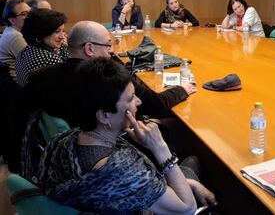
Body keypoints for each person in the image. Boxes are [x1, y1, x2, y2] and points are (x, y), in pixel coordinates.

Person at [37, 57, 215, 213]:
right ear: (104, 116)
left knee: (190, 169)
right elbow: (186, 208)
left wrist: (189, 183)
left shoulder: (63, 141)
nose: (138, 102)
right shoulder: (118, 170)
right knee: (195, 162)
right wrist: (160, 148)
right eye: (130, 99)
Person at [24, 21, 196, 127]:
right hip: (111, 149)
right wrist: (182, 89)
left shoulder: (40, 76)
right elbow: (155, 105)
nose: (111, 51)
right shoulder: (108, 77)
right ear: (89, 48)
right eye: (107, 46)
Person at [15, 9, 68, 86]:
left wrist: (63, 46)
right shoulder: (49, 59)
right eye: (57, 31)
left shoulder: (25, 50)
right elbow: (68, 81)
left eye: (63, 31)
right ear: (40, 34)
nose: (62, 36)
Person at [0, 0, 30, 80]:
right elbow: (32, 62)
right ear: (12, 20)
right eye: (25, 14)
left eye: (31, 12)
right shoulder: (14, 36)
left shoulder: (11, 31)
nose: (30, 17)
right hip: (21, 86)